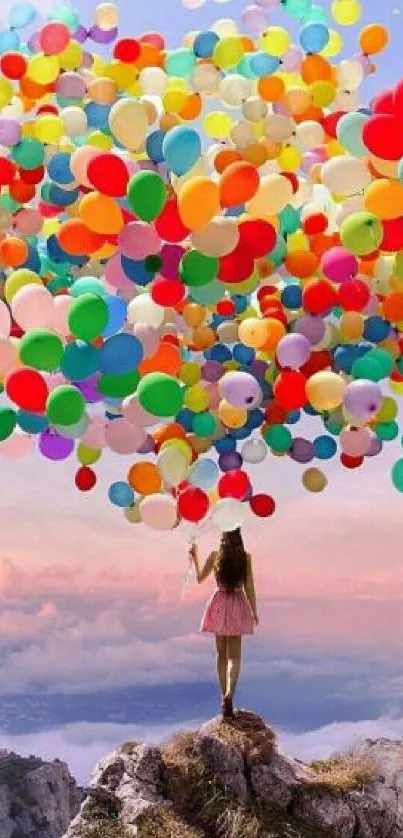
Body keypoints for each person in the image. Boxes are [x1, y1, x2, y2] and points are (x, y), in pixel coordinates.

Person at [189, 528, 258, 720]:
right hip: (237, 603)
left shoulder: (215, 556)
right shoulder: (246, 558)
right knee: (234, 657)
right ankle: (230, 694)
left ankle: (223, 696)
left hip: (219, 603)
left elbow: (200, 578)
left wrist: (195, 557)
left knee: (221, 654)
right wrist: (254, 611)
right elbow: (250, 587)